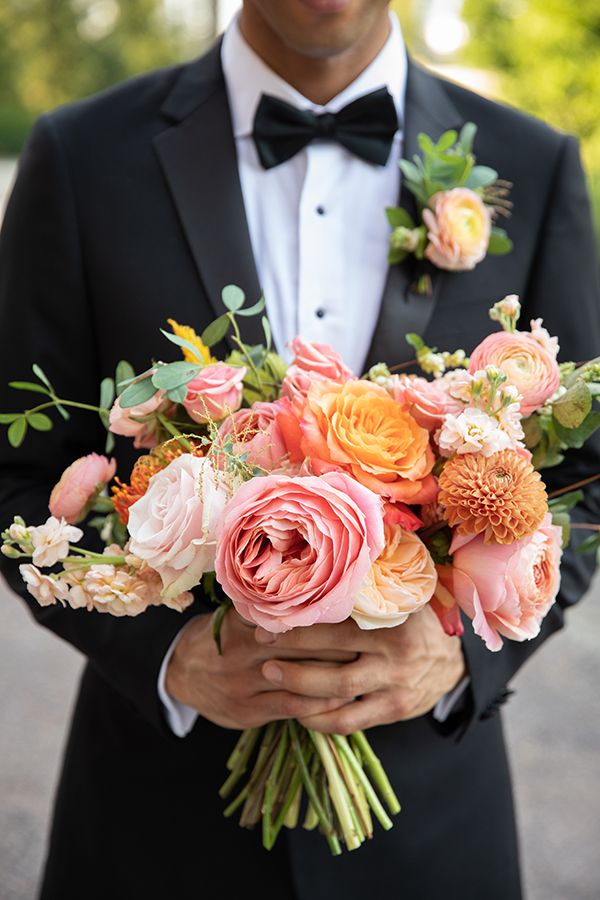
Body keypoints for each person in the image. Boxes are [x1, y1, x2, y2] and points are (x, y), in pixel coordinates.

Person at [0, 2, 598, 898]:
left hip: (432, 822)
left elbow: (583, 491)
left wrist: (464, 660)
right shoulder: (83, 157)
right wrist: (166, 658)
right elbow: (15, 471)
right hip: (154, 824)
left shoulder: (533, 164)